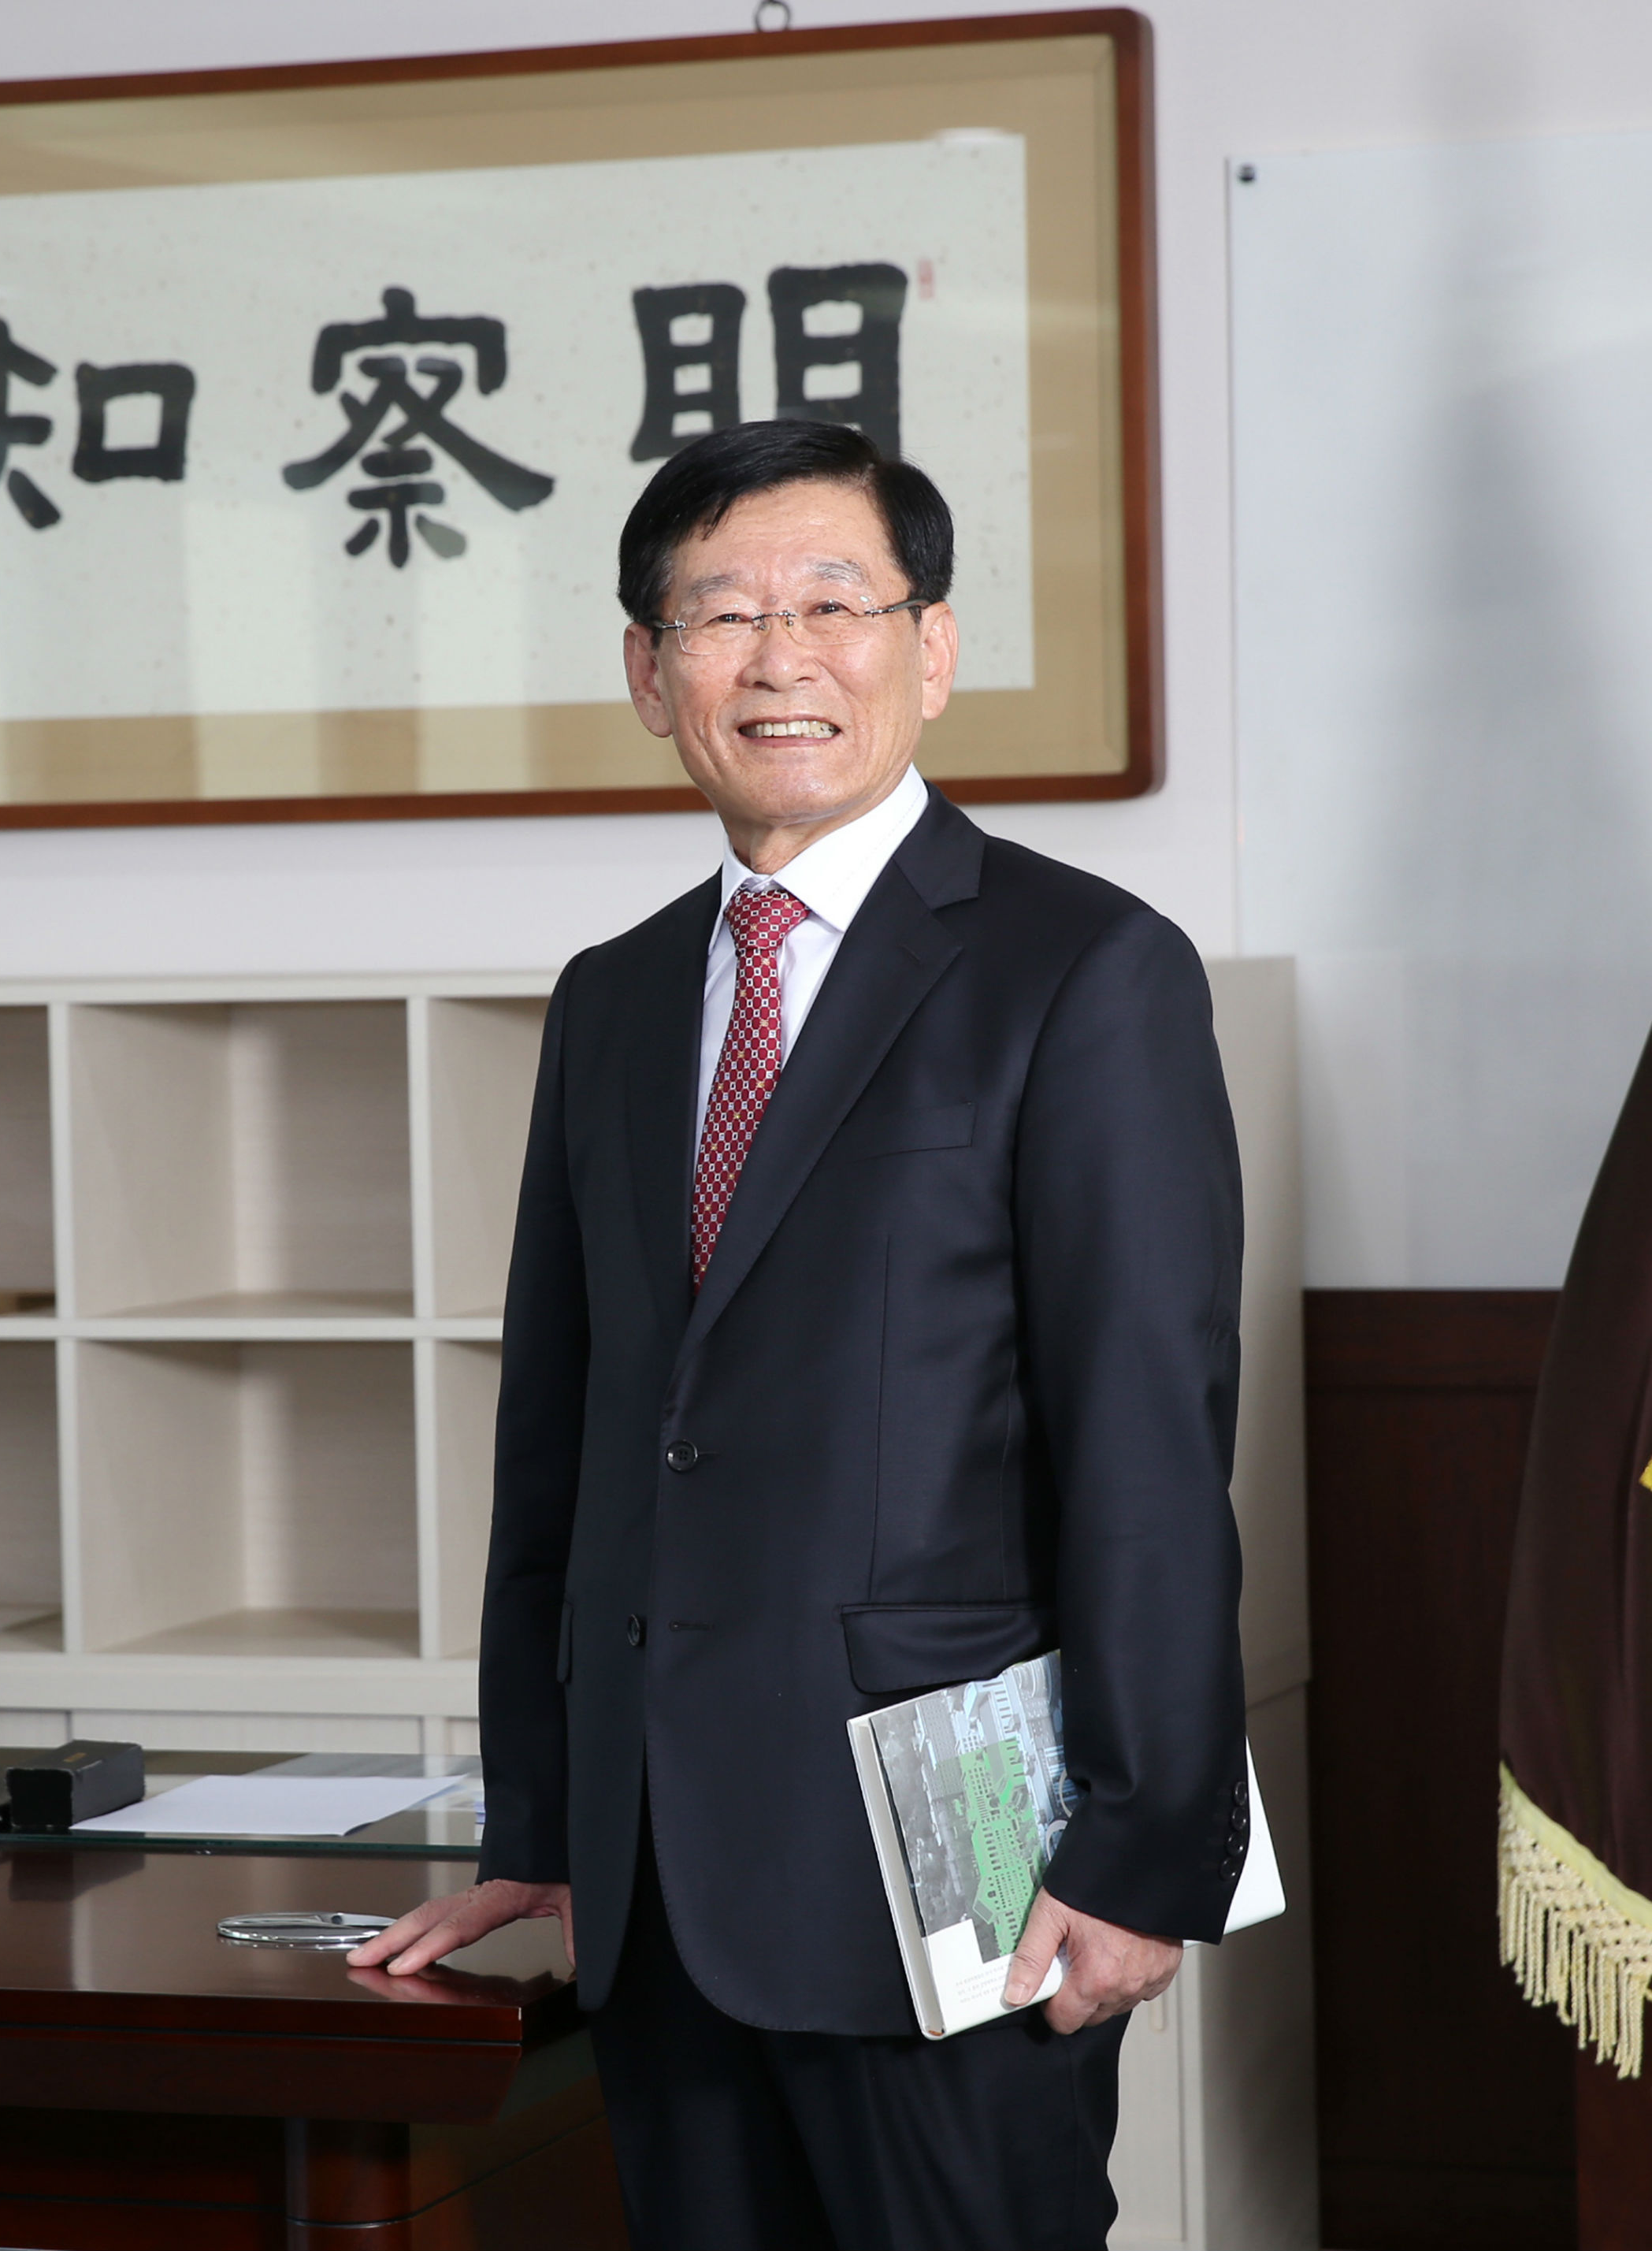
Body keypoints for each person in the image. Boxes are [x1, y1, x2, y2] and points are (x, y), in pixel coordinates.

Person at [347, 419, 1250, 2249]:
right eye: (721, 615)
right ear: (647, 673)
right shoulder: (612, 1000)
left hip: (961, 1863)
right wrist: (544, 1820)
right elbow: (567, 1442)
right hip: (658, 1872)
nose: (780, 657)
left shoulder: (1081, 969)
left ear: (931, 649)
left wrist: (1146, 1848)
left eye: (834, 604)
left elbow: (1149, 1446)